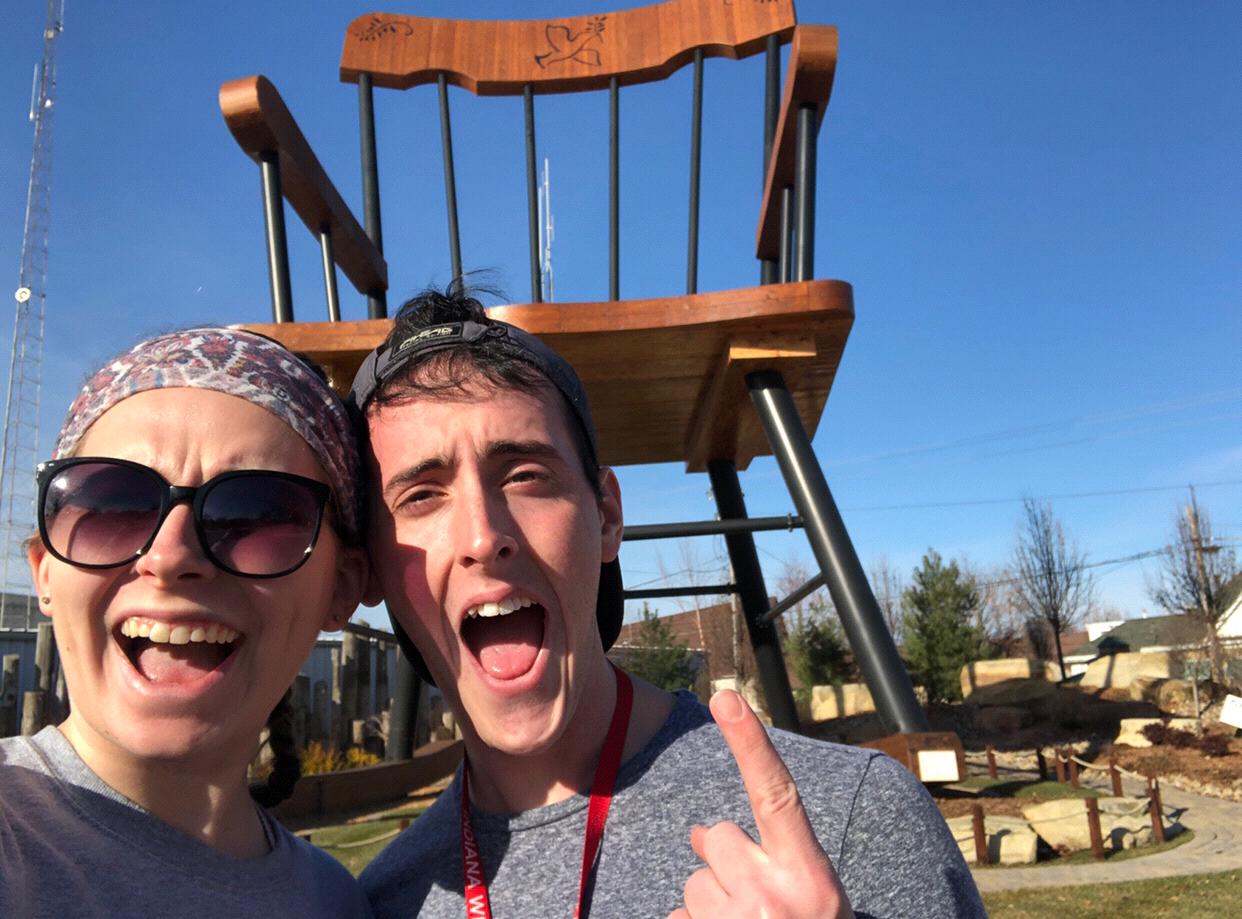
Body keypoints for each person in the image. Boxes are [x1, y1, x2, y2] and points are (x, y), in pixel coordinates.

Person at [354, 285, 985, 918]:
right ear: (371, 569)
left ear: (606, 516)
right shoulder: (382, 902)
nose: (483, 537)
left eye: (525, 476)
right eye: (421, 496)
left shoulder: (848, 826)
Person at [0, 328, 373, 918]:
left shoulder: (336, 903)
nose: (170, 557)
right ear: (46, 571)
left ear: (343, 586)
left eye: (254, 514)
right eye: (113, 506)